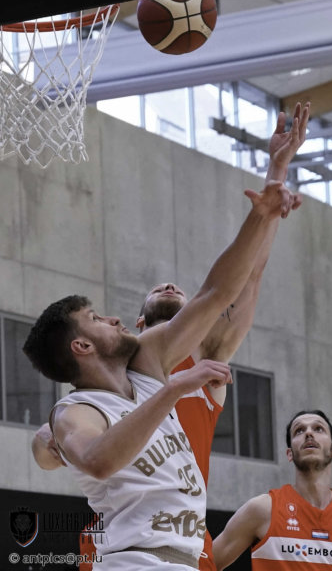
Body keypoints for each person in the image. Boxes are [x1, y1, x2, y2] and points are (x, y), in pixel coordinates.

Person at [30, 103, 310, 571]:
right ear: (142, 325)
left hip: (182, 543)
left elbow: (232, 285)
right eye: (100, 318)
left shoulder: (189, 354)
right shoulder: (128, 377)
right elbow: (80, 451)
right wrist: (48, 441)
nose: (112, 319)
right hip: (126, 548)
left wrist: (270, 194)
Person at [212, 410, 332, 571]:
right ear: (289, 453)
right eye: (299, 431)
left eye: (318, 428)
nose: (309, 433)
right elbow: (206, 563)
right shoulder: (262, 509)